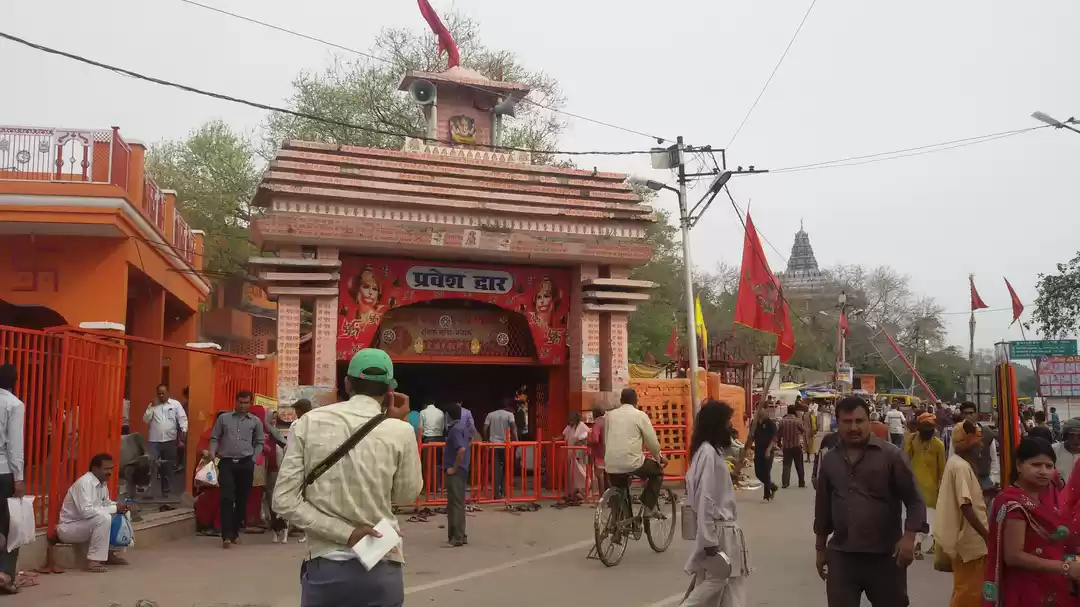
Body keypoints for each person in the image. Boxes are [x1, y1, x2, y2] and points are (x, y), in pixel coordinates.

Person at [274, 348, 421, 606]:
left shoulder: (307, 423)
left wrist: (346, 533)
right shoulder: (401, 431)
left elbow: (284, 500)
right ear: (390, 391)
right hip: (381, 567)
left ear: (347, 383)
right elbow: (406, 496)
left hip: (326, 571)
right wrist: (396, 423)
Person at [814, 396, 926, 607]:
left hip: (885, 557)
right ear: (838, 423)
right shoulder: (829, 460)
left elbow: (914, 500)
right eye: (847, 422)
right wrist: (820, 549)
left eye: (859, 421)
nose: (854, 427)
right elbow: (823, 508)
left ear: (869, 421)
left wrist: (910, 538)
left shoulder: (891, 456)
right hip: (842, 556)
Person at [982, 437, 1080, 606]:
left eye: (1049, 466)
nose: (1043, 471)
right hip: (1026, 588)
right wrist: (1065, 568)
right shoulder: (1014, 504)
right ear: (1019, 465)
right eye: (1036, 465)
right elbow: (1013, 556)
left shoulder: (1047, 494)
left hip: (1052, 584)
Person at [681, 400, 750, 607]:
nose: (731, 427)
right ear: (716, 425)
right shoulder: (708, 454)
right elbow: (705, 499)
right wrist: (709, 541)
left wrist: (729, 478)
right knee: (718, 581)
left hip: (722, 532)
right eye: (727, 422)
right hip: (719, 533)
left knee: (728, 589)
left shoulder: (709, 451)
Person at [934, 421, 989, 607]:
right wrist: (987, 536)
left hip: (967, 543)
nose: (981, 446)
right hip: (970, 545)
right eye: (978, 442)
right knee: (969, 594)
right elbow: (966, 506)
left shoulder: (957, 463)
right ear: (966, 442)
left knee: (964, 590)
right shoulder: (961, 467)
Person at [205, 390, 264, 549]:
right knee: (227, 498)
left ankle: (235, 531)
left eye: (245, 403)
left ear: (250, 403)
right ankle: (226, 535)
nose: (242, 405)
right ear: (235, 402)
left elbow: (259, 442)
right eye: (240, 402)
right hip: (226, 463)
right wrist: (212, 451)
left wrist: (253, 459)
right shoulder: (223, 419)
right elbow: (215, 438)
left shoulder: (256, 422)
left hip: (246, 464)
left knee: (242, 501)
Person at [56, 453, 132, 573]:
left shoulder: (102, 484)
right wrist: (114, 508)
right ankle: (94, 561)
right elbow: (86, 511)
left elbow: (106, 503)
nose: (109, 472)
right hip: (69, 528)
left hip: (87, 524)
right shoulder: (84, 483)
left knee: (123, 514)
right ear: (95, 469)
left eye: (111, 469)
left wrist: (119, 507)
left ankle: (110, 554)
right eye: (106, 469)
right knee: (104, 518)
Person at [604, 387, 666, 517]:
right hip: (632, 463)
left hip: (611, 463)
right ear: (636, 401)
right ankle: (648, 508)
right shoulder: (640, 415)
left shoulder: (609, 415)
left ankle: (618, 521)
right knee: (657, 472)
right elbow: (652, 443)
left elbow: (606, 439)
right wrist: (659, 458)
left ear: (621, 400)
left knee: (620, 488)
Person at [904, 412, 946, 558]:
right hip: (914, 486)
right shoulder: (912, 441)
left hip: (931, 489)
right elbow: (905, 461)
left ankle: (929, 544)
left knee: (929, 519)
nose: (928, 431)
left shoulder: (938, 445)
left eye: (930, 428)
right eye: (925, 427)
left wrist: (942, 488)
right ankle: (917, 546)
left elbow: (942, 469)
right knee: (916, 517)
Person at [0, 364, 25, 593]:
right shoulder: (14, 404)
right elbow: (14, 445)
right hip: (4, 472)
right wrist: (19, 477)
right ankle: (5, 575)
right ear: (15, 381)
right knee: (10, 526)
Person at [142, 384, 188, 499]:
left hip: (170, 440)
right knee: (152, 466)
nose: (161, 396)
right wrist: (151, 407)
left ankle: (166, 491)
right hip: (155, 441)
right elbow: (145, 420)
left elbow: (182, 418)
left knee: (167, 467)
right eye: (159, 394)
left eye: (163, 393)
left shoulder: (175, 404)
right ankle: (151, 492)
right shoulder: (153, 405)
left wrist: (184, 429)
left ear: (168, 393)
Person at [444, 403, 471, 547]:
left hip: (456, 471)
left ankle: (456, 537)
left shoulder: (454, 430)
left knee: (455, 504)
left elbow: (461, 450)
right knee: (458, 503)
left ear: (448, 416)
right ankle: (461, 535)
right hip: (463, 468)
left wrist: (453, 468)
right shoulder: (463, 428)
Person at [483, 398, 517, 499]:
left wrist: (486, 440)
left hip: (494, 446)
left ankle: (496, 493)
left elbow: (485, 428)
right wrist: (517, 440)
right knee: (507, 468)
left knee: (495, 469)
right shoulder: (509, 415)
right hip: (506, 445)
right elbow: (513, 427)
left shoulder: (490, 414)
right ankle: (505, 491)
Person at [748, 402, 779, 502]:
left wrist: (769, 449)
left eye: (761, 408)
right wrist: (749, 443)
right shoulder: (754, 422)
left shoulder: (770, 423)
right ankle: (772, 486)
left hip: (768, 451)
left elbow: (774, 437)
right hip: (758, 450)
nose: (759, 411)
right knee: (758, 474)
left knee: (766, 472)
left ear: (766, 410)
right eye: (757, 408)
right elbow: (752, 436)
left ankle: (766, 496)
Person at [418, 400, 445, 493]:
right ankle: (437, 486)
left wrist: (419, 442)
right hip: (440, 439)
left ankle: (428, 487)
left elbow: (420, 428)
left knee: (428, 464)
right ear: (434, 402)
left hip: (428, 439)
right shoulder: (441, 412)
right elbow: (442, 428)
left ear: (425, 404)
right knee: (437, 464)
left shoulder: (423, 412)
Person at [562, 411, 590, 501]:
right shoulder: (571, 427)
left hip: (580, 453)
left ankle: (584, 490)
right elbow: (564, 435)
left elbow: (587, 437)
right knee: (572, 472)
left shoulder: (582, 426)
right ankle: (575, 492)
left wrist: (580, 443)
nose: (570, 421)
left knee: (581, 471)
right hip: (572, 452)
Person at [777, 405, 806, 489]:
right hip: (796, 446)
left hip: (786, 447)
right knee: (799, 465)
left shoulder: (782, 422)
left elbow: (779, 434)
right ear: (795, 412)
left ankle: (785, 483)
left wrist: (779, 443)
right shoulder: (798, 421)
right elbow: (804, 431)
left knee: (786, 465)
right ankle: (801, 482)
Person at [588, 405, 607, 496]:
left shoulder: (597, 423)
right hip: (611, 451)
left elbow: (595, 439)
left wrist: (588, 443)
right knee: (608, 475)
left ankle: (602, 497)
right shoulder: (608, 421)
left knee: (600, 476)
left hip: (600, 452)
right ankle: (610, 498)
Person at [1054, 419, 1080, 483]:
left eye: (1079, 435)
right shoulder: (1054, 450)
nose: (1075, 440)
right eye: (1071, 435)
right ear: (1065, 435)